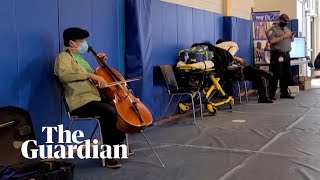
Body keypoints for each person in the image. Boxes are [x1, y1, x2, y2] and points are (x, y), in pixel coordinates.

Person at [54, 27, 130, 169]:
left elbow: (97, 77)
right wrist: (90, 75)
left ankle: (118, 146)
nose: (85, 44)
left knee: (117, 108)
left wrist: (101, 64)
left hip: (94, 98)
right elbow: (64, 76)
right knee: (108, 111)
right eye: (81, 41)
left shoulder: (81, 60)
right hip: (81, 101)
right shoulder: (63, 57)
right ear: (71, 43)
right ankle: (109, 155)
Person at [266, 14, 295, 100]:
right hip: (277, 54)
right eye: (284, 21)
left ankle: (284, 92)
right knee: (276, 74)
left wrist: (291, 36)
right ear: (279, 20)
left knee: (286, 74)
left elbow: (291, 40)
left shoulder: (287, 29)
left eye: (286, 22)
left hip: (286, 54)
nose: (285, 23)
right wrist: (283, 36)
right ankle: (271, 93)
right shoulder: (272, 29)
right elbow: (271, 40)